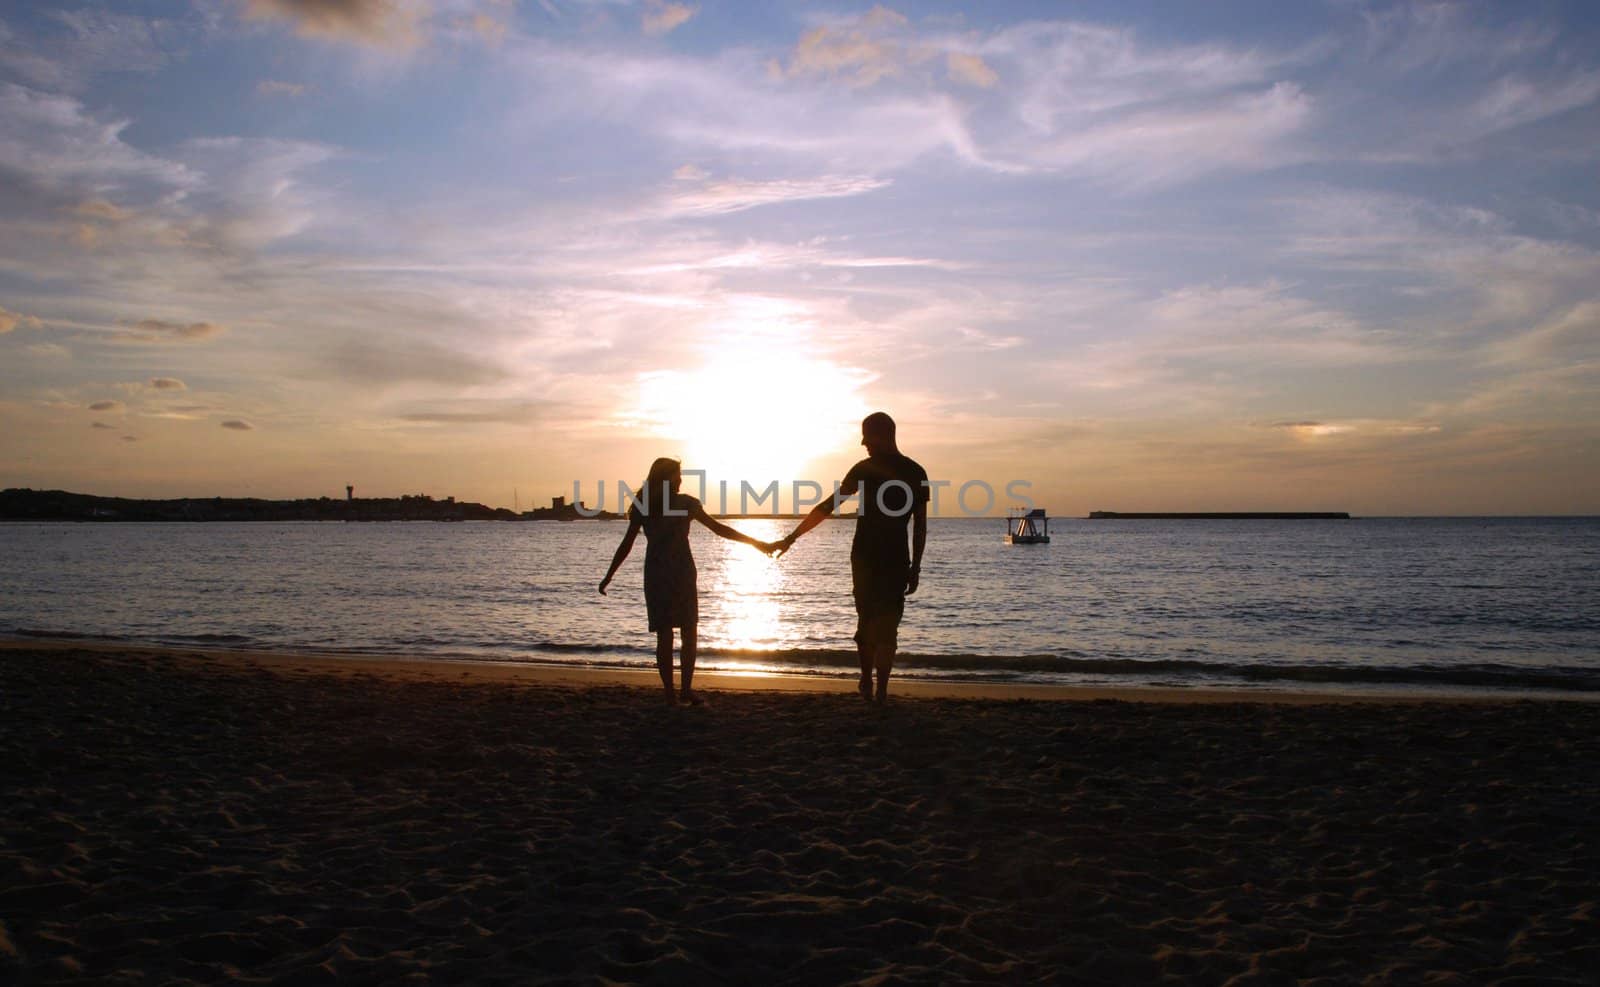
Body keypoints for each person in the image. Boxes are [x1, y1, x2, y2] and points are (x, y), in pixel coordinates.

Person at [599, 457, 778, 706]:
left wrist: (759, 545)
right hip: (677, 572)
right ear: (667, 477)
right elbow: (719, 529)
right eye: (677, 474)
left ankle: (675, 693)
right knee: (684, 632)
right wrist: (609, 574)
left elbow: (718, 529)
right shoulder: (674, 504)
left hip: (662, 572)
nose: (681, 479)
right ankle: (679, 691)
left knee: (670, 633)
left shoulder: (652, 504)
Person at [776, 412, 927, 704]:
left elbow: (920, 524)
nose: (863, 443)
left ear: (884, 435)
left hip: (889, 559)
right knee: (870, 622)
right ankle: (869, 680)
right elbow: (829, 505)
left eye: (867, 437)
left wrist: (917, 565)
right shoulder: (876, 469)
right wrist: (792, 537)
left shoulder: (912, 472)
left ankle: (878, 688)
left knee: (884, 626)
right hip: (867, 558)